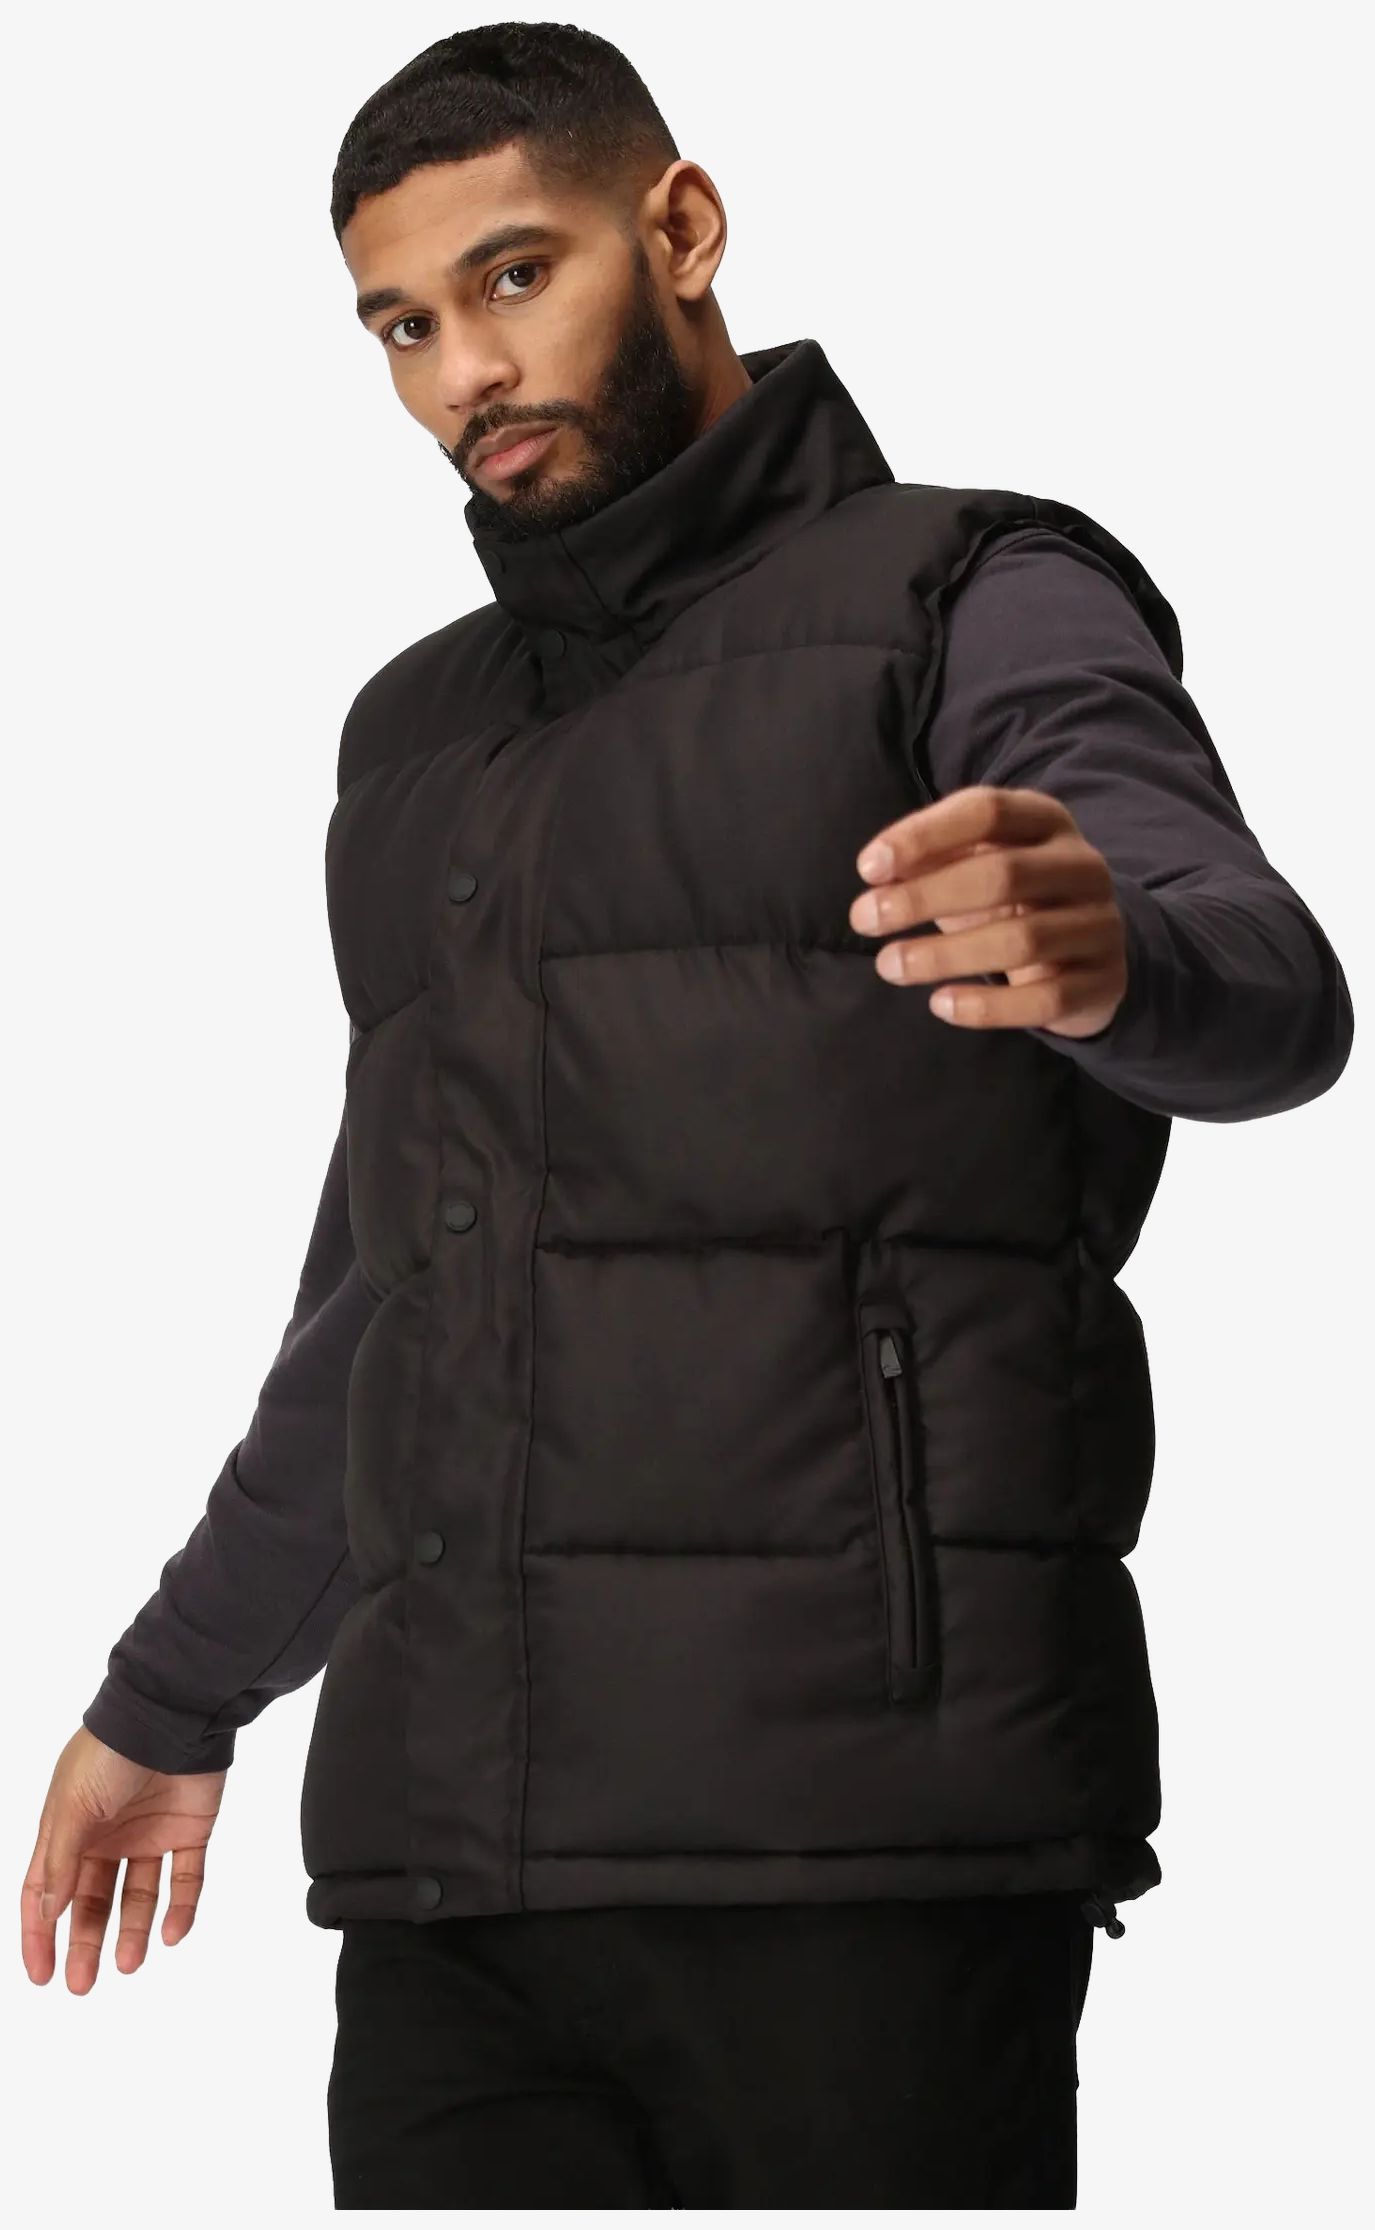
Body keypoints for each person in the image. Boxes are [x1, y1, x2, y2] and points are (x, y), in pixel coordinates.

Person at [20, 20, 1353, 2211]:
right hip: (451, 1885)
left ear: (683, 229)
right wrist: (172, 1696)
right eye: (401, 324)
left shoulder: (965, 592)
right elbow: (386, 1304)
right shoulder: (413, 743)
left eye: (513, 275)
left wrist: (1117, 946)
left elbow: (1269, 985)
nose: (466, 370)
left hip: (865, 1852)